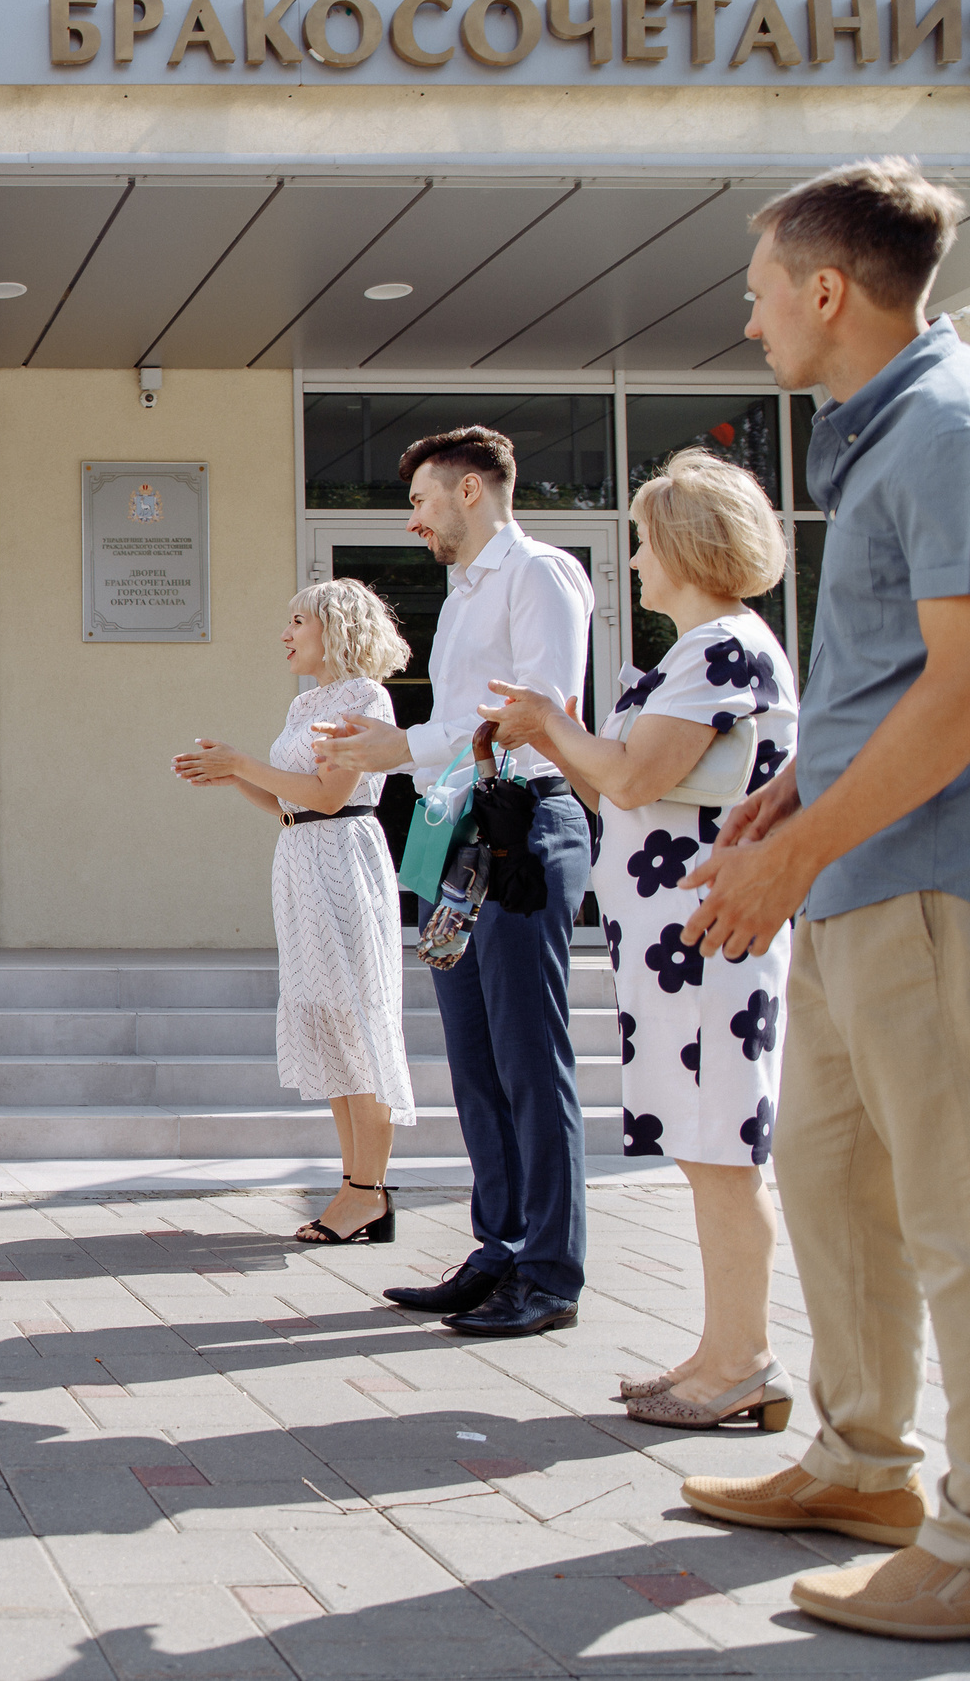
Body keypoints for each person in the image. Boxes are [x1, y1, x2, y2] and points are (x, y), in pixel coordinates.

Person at [668, 158, 970, 1641]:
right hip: (860, 877)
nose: (748, 318)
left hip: (930, 891)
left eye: (761, 287)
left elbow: (966, 697)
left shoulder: (947, 430)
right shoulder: (891, 437)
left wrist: (792, 850)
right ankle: (865, 1465)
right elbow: (901, 678)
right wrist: (797, 795)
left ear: (830, 291)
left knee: (954, 1217)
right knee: (838, 1194)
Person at [485, 449, 798, 1431]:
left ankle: (740, 1361)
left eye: (641, 541)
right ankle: (721, 1354)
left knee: (719, 1148)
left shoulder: (719, 651)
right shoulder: (701, 653)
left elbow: (627, 780)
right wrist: (565, 738)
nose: (630, 561)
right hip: (678, 942)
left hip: (705, 938)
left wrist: (547, 725)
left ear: (685, 546)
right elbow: (623, 783)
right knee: (707, 1151)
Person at [315, 425, 594, 1337]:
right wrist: (412, 758)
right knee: (475, 1062)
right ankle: (499, 1248)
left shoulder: (539, 574)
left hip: (521, 832)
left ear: (471, 491)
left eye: (423, 500)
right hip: (461, 836)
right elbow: (458, 725)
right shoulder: (465, 590)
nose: (413, 521)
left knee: (526, 1058)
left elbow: (533, 715)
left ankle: (549, 1272)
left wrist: (401, 748)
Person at [175, 579, 416, 1245]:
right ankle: (357, 1186)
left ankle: (366, 1192)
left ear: (334, 627)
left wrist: (246, 761)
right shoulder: (307, 701)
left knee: (357, 1025)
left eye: (297, 621)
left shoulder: (366, 697)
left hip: (343, 861)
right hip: (304, 860)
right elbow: (292, 805)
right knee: (332, 1027)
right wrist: (234, 778)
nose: (286, 633)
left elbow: (332, 796)